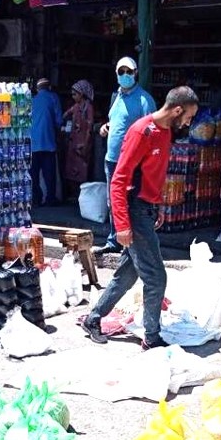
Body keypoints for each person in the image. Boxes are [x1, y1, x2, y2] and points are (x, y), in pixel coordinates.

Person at [82, 87, 200, 349]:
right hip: (134, 210)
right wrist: (122, 225)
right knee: (156, 277)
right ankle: (152, 337)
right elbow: (119, 179)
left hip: (145, 210)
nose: (189, 123)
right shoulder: (141, 131)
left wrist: (155, 207)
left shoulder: (166, 132)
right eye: (189, 117)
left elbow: (152, 175)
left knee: (128, 272)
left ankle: (93, 318)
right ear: (177, 110)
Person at [95, 57, 156, 255]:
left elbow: (151, 130)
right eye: (121, 72)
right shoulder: (117, 97)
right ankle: (114, 240)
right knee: (113, 201)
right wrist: (106, 128)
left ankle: (129, 243)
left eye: (128, 72)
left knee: (128, 202)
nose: (125, 75)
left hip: (131, 161)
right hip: (112, 158)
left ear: (136, 73)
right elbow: (115, 122)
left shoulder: (144, 100)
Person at [61, 80, 95, 202]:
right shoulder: (76, 106)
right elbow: (65, 115)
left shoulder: (88, 107)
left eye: (75, 94)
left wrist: (85, 143)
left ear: (82, 94)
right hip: (73, 142)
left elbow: (90, 127)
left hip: (82, 143)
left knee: (82, 170)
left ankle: (82, 196)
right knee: (71, 169)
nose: (73, 96)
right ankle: (74, 194)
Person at [30, 78, 61, 207]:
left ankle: (36, 198)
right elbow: (59, 120)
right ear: (49, 87)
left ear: (37, 89)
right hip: (48, 142)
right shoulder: (53, 98)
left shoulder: (32, 100)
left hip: (33, 142)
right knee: (49, 173)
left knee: (34, 173)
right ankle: (50, 198)